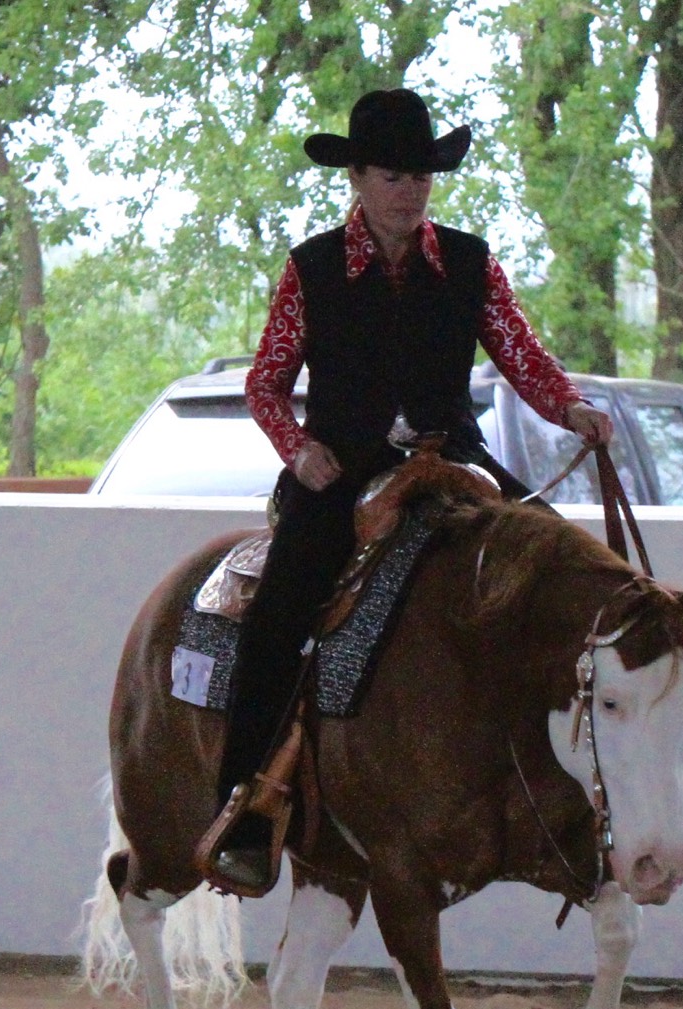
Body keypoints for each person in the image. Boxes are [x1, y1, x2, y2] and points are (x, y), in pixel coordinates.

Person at [203, 87, 616, 895]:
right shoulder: (312, 268)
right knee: (283, 609)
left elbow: (520, 354)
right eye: (394, 174)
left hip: (453, 459)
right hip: (344, 473)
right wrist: (299, 450)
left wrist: (569, 407)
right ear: (356, 177)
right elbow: (265, 383)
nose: (410, 188)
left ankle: (564, 803)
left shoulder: (468, 261)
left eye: (421, 174)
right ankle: (246, 808)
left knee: (558, 570)